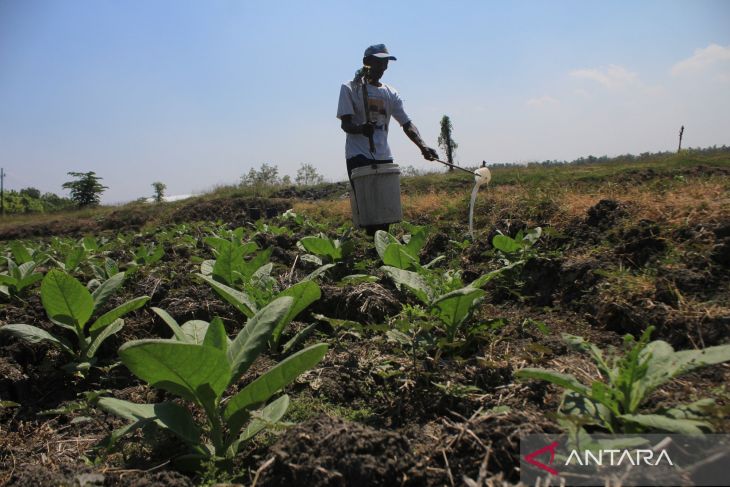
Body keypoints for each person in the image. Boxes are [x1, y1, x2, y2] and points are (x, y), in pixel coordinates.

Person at [337, 43, 439, 234]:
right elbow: (346, 124)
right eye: (378, 62)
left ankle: (382, 247)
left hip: (384, 155)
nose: (382, 68)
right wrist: (360, 129)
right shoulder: (350, 88)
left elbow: (407, 123)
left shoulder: (390, 93)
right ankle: (373, 247)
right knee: (368, 209)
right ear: (367, 63)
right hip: (359, 155)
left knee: (385, 209)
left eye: (385, 63)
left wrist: (423, 146)